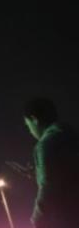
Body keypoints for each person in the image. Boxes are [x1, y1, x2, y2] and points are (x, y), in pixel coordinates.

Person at [23, 97, 79, 228]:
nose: (30, 131)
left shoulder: (45, 145)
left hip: (65, 219)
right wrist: (36, 173)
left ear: (34, 120)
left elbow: (48, 188)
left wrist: (36, 219)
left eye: (28, 125)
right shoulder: (72, 137)